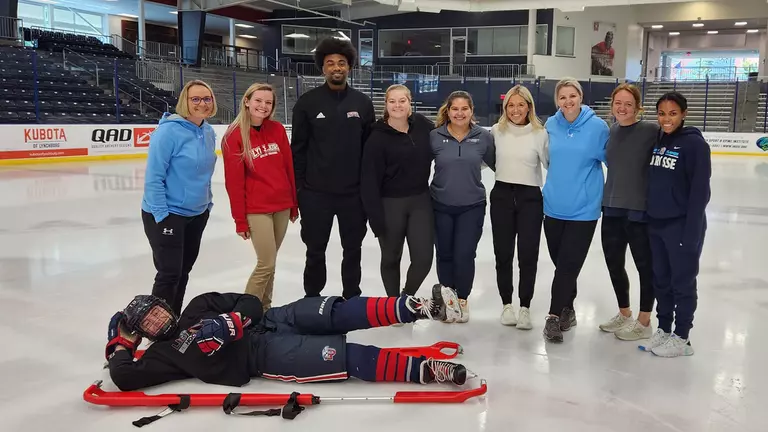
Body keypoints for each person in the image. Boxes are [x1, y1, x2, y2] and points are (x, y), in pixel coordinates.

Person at [104, 285, 467, 392]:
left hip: (275, 319)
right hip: (265, 355)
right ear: (145, 333)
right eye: (148, 323)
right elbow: (123, 377)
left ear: (166, 306)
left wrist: (234, 319)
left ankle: (418, 307)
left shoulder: (198, 306)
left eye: (156, 310)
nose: (157, 319)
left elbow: (249, 301)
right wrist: (121, 344)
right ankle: (429, 370)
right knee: (347, 355)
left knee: (337, 310)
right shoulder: (165, 354)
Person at [291, 37, 376, 300]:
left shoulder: (363, 103)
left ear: (349, 66)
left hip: (353, 195)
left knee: (353, 249)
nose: (336, 67)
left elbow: (370, 150)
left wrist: (366, 189)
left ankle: (352, 296)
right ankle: (312, 298)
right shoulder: (307, 103)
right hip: (316, 195)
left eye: (341, 62)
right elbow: (298, 149)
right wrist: (301, 189)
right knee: (315, 250)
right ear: (322, 68)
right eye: (330, 63)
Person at [640, 92, 711, 357]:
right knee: (662, 281)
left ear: (683, 114)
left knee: (682, 282)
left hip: (682, 226)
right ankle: (664, 329)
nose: (666, 119)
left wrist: (691, 232)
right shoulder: (659, 140)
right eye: (661, 113)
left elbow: (700, 192)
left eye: (672, 113)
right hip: (656, 224)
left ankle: (682, 337)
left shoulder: (694, 146)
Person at [141, 79, 218, 316]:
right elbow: (154, 178)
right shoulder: (168, 132)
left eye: (206, 98)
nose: (201, 103)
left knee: (183, 271)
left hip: (197, 214)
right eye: (195, 99)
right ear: (185, 101)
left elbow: (204, 174)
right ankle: (154, 329)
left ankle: (171, 323)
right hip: (168, 213)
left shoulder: (208, 131)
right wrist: (162, 216)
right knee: (169, 274)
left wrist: (207, 204)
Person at [541, 78, 609, 343]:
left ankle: (554, 316)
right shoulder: (550, 125)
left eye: (573, 96)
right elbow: (546, 160)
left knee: (568, 265)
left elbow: (612, 161)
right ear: (557, 101)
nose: (568, 102)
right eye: (563, 97)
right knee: (562, 264)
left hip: (584, 210)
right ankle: (568, 308)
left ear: (580, 97)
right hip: (554, 207)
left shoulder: (598, 128)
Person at [222, 83, 298, 312]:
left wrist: (294, 204)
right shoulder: (233, 136)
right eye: (258, 101)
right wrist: (240, 220)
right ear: (247, 101)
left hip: (282, 206)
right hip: (257, 209)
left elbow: (288, 168)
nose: (263, 106)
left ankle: (264, 310)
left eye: (268, 102)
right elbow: (234, 184)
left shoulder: (276, 129)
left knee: (271, 263)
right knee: (266, 264)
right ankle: (243, 316)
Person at [361, 84, 435, 298]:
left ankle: (406, 296)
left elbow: (445, 136)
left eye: (402, 100)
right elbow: (369, 181)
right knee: (391, 257)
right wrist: (374, 217)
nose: (397, 105)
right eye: (392, 101)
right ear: (385, 105)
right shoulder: (377, 137)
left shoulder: (422, 125)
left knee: (423, 260)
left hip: (420, 200)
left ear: (410, 102)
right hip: (389, 204)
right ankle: (393, 304)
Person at [598, 84, 658, 341]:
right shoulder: (611, 131)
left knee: (645, 266)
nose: (622, 108)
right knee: (614, 264)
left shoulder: (650, 130)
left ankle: (644, 321)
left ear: (637, 107)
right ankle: (625, 313)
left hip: (638, 210)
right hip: (611, 207)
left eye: (628, 104)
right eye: (618, 103)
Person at [430, 91, 496, 323]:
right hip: (440, 204)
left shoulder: (483, 137)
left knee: (465, 254)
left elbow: (498, 163)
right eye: (455, 109)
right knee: (445, 253)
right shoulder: (435, 136)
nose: (459, 113)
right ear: (448, 111)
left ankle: (463, 299)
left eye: (464, 109)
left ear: (471, 111)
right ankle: (448, 301)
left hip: (472, 206)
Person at [489, 85, 548, 330]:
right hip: (502, 195)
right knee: (503, 254)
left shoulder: (540, 133)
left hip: (530, 197)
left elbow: (550, 163)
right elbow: (487, 161)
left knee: (528, 255)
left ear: (529, 107)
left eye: (520, 105)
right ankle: (506, 305)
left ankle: (525, 306)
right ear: (505, 108)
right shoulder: (496, 131)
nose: (515, 110)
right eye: (511, 105)